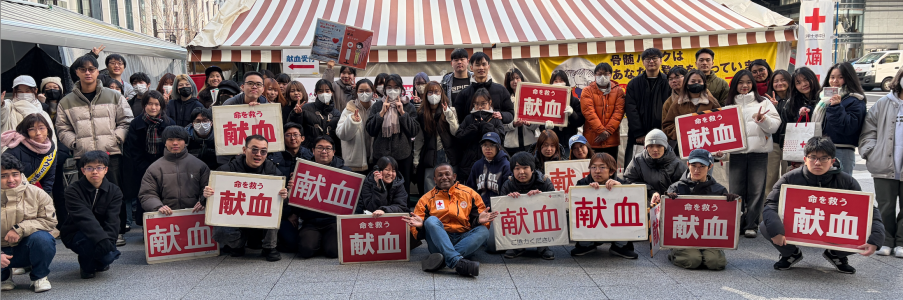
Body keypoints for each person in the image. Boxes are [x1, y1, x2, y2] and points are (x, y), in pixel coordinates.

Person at [761, 136, 884, 273]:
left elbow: (868, 210)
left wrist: (876, 239)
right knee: (766, 226)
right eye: (813, 157)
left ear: (832, 161)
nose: (817, 162)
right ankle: (790, 254)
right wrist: (776, 231)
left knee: (866, 232)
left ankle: (837, 255)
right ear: (805, 159)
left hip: (833, 228)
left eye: (823, 158)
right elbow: (770, 204)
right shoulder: (790, 178)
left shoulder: (847, 182)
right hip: (803, 223)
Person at [404, 164, 498, 277]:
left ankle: (444, 260)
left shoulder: (469, 194)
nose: (444, 177)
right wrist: (421, 226)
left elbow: (479, 221)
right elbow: (417, 232)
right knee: (431, 220)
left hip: (464, 240)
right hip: (438, 242)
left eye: (447, 174)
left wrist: (478, 220)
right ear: (434, 179)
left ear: (454, 176)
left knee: (483, 230)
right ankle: (456, 261)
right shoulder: (425, 199)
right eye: (440, 175)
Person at [205, 135, 287, 262]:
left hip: (260, 220)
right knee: (220, 231)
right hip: (236, 219)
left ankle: (269, 247)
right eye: (254, 150)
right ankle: (237, 245)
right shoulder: (227, 170)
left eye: (263, 151)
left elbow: (284, 205)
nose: (259, 154)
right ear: (244, 150)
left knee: (274, 206)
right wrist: (206, 194)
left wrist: (284, 196)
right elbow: (211, 201)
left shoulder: (272, 171)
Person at [56, 54, 133, 185]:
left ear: (98, 71)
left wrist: (115, 138)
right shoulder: (66, 102)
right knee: (88, 198)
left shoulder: (114, 96)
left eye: (91, 69)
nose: (87, 73)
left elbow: (127, 121)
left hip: (111, 155)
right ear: (77, 72)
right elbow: (62, 128)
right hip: (84, 157)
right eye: (83, 69)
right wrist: (75, 143)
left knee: (114, 196)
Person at [721, 70, 780, 238]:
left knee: (756, 190)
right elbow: (723, 135)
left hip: (758, 153)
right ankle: (737, 223)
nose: (744, 85)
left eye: (748, 82)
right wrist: (721, 152)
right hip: (737, 154)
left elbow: (775, 126)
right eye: (740, 82)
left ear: (753, 84)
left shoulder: (764, 103)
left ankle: (751, 225)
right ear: (734, 85)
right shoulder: (728, 106)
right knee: (736, 190)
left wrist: (763, 120)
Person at [661, 149, 738, 270]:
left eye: (702, 166)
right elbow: (666, 218)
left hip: (708, 237)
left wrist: (732, 204)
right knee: (693, 260)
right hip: (684, 237)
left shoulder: (719, 190)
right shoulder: (676, 187)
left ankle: (706, 256)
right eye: (693, 165)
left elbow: (727, 220)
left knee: (716, 263)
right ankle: (675, 253)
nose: (697, 170)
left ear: (710, 167)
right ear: (688, 165)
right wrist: (668, 201)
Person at [859, 68, 903, 257]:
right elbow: (869, 129)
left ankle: (901, 241)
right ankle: (886, 240)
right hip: (884, 163)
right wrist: (871, 150)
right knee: (885, 204)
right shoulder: (884, 103)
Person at [121, 90, 176, 241]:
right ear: (144, 105)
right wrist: (144, 167)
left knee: (166, 195)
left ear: (161, 106)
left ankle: (168, 226)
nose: (153, 107)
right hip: (143, 166)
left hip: (165, 165)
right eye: (150, 104)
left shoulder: (169, 123)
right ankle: (148, 227)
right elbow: (134, 149)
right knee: (146, 195)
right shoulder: (136, 123)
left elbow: (173, 145)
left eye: (157, 104)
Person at [59, 151, 123, 279]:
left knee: (107, 257)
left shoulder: (114, 191)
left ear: (106, 170)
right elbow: (84, 218)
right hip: (76, 232)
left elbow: (113, 220)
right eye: (90, 168)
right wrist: (102, 240)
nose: (95, 171)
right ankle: (86, 263)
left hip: (104, 233)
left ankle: (99, 260)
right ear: (83, 170)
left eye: (99, 167)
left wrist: (109, 242)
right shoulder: (72, 190)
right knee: (90, 252)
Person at [0, 153, 56, 292]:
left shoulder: (37, 193)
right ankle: (4, 277)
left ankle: (39, 276)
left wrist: (19, 229)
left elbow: (49, 221)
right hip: (2, 250)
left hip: (25, 247)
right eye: (3, 175)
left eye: (15, 174)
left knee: (43, 239)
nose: (11, 179)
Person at [624, 129, 686, 246]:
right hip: (646, 201)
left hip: (669, 203)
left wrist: (669, 194)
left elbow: (684, 184)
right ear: (645, 147)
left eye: (659, 146)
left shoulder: (676, 163)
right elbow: (628, 181)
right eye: (651, 146)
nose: (655, 149)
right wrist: (651, 191)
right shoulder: (637, 161)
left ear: (665, 146)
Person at [295, 136, 349, 259]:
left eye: (328, 149)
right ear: (313, 150)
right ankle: (318, 241)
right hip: (311, 221)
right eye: (320, 148)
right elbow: (296, 201)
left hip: (333, 221)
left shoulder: (346, 172)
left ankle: (325, 242)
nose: (324, 152)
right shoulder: (303, 170)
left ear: (334, 152)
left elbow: (355, 201)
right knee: (305, 250)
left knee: (333, 252)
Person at [809, 62, 866, 175]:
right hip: (820, 149)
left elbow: (848, 127)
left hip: (842, 149)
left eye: (841, 77)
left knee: (840, 187)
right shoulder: (823, 98)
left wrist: (835, 107)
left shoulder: (855, 100)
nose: (835, 81)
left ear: (849, 78)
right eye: (832, 77)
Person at [366, 74, 421, 194]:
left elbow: (414, 131)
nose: (392, 90)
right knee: (380, 187)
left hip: (403, 156)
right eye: (389, 87)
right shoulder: (377, 106)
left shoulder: (408, 106)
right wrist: (381, 114)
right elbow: (370, 130)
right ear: (385, 89)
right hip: (381, 156)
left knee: (402, 188)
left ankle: (402, 211)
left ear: (401, 89)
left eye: (396, 87)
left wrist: (402, 113)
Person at [139, 126, 209, 216]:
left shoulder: (200, 166)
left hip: (196, 217)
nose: (175, 143)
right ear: (165, 142)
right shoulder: (154, 168)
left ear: (185, 142)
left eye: (179, 139)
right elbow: (147, 194)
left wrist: (204, 201)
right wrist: (158, 206)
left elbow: (208, 189)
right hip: (166, 218)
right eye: (170, 139)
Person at [499, 152, 556, 260]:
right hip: (519, 222)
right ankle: (517, 246)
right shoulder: (508, 184)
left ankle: (543, 246)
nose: (521, 172)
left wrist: (541, 197)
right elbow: (501, 210)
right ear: (512, 170)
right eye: (517, 168)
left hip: (539, 221)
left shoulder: (544, 182)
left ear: (533, 169)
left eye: (525, 168)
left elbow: (555, 204)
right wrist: (508, 200)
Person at [570, 153, 627, 257]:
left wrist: (620, 188)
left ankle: (620, 246)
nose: (597, 171)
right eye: (593, 167)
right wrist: (587, 191)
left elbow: (635, 197)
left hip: (612, 222)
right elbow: (575, 205)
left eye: (602, 167)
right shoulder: (582, 183)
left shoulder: (620, 183)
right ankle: (586, 245)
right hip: (593, 222)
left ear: (612, 171)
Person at [624, 48, 672, 167]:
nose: (651, 61)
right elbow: (631, 109)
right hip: (638, 135)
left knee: (662, 166)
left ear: (661, 61)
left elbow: (672, 109)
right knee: (635, 166)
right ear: (643, 62)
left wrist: (666, 132)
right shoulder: (633, 83)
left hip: (663, 133)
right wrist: (639, 133)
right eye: (647, 59)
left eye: (654, 58)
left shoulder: (668, 82)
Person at [416, 81, 459, 192]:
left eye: (436, 91)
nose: (433, 95)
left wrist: (449, 114)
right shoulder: (422, 113)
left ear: (441, 93)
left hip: (448, 153)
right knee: (430, 186)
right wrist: (415, 158)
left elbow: (456, 132)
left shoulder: (450, 110)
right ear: (425, 95)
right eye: (430, 92)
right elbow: (419, 138)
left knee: (450, 185)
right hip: (430, 154)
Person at [455, 88, 505, 183]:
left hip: (492, 161)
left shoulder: (495, 118)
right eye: (477, 104)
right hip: (469, 163)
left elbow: (501, 137)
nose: (480, 107)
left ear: (489, 102)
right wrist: (473, 128)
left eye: (483, 103)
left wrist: (486, 126)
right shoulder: (469, 118)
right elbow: (459, 136)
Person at [1, 114, 57, 195]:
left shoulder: (50, 150)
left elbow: (49, 179)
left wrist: (43, 198)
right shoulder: (13, 152)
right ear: (25, 132)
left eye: (41, 128)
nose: (38, 133)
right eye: (32, 129)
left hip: (36, 196)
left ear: (48, 129)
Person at [452, 52, 514, 125]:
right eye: (477, 65)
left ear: (488, 66)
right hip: (472, 135)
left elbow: (511, 114)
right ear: (471, 68)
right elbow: (459, 120)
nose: (481, 68)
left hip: (495, 134)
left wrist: (502, 115)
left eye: (484, 64)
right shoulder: (463, 93)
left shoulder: (501, 90)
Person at [662, 69, 722, 143]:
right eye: (693, 81)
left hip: (708, 141)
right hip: (687, 144)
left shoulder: (712, 102)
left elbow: (721, 120)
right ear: (686, 84)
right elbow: (667, 125)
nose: (696, 84)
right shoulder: (677, 103)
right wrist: (681, 132)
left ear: (704, 84)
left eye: (699, 81)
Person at [581, 62, 625, 159]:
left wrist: (608, 131)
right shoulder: (587, 90)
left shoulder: (618, 91)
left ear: (610, 75)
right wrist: (601, 130)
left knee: (611, 169)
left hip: (611, 140)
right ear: (595, 75)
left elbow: (619, 112)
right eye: (599, 74)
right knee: (593, 169)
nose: (603, 76)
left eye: (606, 74)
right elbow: (588, 112)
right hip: (593, 139)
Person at [781, 67, 821, 172]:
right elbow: (787, 127)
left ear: (813, 78)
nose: (803, 84)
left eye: (806, 79)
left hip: (821, 148)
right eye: (798, 82)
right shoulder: (791, 103)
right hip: (798, 150)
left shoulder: (823, 99)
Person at [290, 79, 340, 155]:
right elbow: (294, 127)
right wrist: (296, 114)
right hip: (308, 151)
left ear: (332, 92)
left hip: (329, 153)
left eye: (327, 91)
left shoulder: (337, 113)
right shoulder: (305, 108)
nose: (324, 94)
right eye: (321, 91)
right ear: (316, 93)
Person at [337, 79, 376, 174]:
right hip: (355, 162)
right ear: (356, 92)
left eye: (367, 91)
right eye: (361, 91)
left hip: (374, 159)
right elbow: (341, 134)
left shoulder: (377, 108)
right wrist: (352, 121)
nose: (364, 94)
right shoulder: (349, 110)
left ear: (373, 92)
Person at [764, 69, 793, 200]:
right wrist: (773, 108)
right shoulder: (766, 101)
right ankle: (765, 215)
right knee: (770, 179)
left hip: (791, 143)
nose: (779, 83)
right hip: (773, 143)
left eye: (783, 80)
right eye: (776, 81)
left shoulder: (795, 99)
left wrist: (782, 108)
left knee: (789, 178)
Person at [2, 76, 56, 144]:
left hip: (40, 152)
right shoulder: (9, 107)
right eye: (20, 91)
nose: (24, 94)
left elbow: (52, 137)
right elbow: (2, 114)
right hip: (13, 152)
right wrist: (2, 104)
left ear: (35, 90)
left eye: (27, 91)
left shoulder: (43, 113)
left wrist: (52, 152)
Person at [466, 132, 511, 208]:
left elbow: (508, 190)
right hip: (480, 208)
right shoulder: (477, 165)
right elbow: (470, 188)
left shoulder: (506, 165)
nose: (488, 148)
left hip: (500, 208)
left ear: (499, 147)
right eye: (485, 145)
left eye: (492, 145)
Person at [501, 68, 540, 154]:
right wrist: (513, 124)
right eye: (511, 79)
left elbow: (537, 123)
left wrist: (529, 124)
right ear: (508, 82)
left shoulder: (531, 98)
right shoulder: (505, 100)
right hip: (511, 145)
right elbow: (501, 125)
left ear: (522, 79)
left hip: (529, 142)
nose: (515, 81)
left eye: (517, 78)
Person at [547, 70, 585, 155]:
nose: (558, 83)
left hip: (569, 142)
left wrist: (572, 114)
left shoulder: (574, 100)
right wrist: (546, 127)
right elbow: (540, 121)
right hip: (552, 144)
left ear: (566, 82)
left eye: (561, 81)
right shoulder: (546, 100)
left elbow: (580, 122)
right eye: (556, 81)